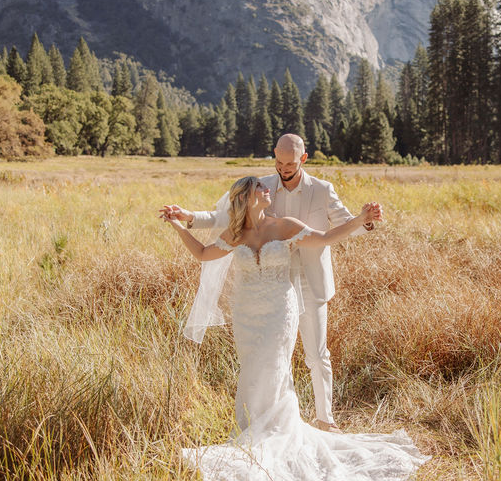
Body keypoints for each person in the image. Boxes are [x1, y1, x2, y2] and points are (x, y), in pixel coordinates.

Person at [161, 175, 427, 481]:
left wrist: (361, 220)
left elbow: (327, 237)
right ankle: (249, 433)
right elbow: (202, 253)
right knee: (251, 371)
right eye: (260, 188)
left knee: (273, 366)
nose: (267, 190)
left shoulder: (284, 226)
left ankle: (273, 434)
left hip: (278, 310)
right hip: (245, 312)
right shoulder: (235, 234)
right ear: (246, 198)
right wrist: (177, 224)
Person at [160, 134, 376, 432]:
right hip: (259, 295)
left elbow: (339, 227)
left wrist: (364, 220)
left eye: (289, 163)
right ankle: (257, 426)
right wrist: (187, 218)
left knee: (316, 354)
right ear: (275, 156)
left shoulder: (322, 190)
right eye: (279, 161)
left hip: (306, 283)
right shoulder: (261, 186)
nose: (283, 168)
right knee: (262, 362)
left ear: (303, 158)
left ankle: (325, 420)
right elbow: (226, 217)